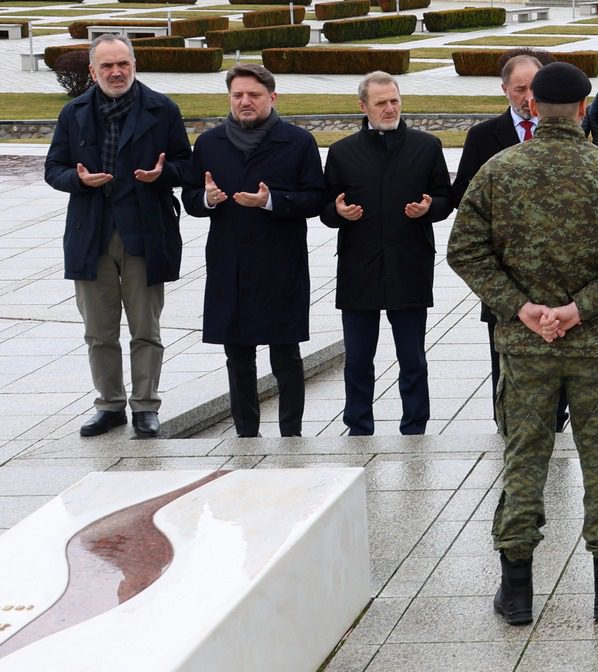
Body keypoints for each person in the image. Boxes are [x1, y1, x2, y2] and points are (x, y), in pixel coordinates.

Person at [446, 61, 598, 626]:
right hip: (595, 346)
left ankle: (516, 590)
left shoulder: (499, 171)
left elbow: (464, 250)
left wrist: (521, 308)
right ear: (586, 106)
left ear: (534, 106)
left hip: (524, 347)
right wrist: (580, 308)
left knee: (523, 459)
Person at [45, 34, 193, 439]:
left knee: (146, 328)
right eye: (107, 66)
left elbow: (186, 165)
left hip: (144, 232)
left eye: (122, 64)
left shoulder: (162, 109)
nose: (116, 72)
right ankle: (109, 405)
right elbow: (52, 169)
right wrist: (78, 180)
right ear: (92, 71)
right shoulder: (73, 113)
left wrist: (163, 174)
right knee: (99, 331)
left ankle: (146, 406)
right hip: (91, 233)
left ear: (134, 65)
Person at [183, 63, 325, 438]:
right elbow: (190, 199)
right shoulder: (211, 144)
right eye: (238, 95)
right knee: (238, 356)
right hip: (230, 263)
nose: (245, 102)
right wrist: (207, 199)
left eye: (254, 95)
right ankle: (246, 433)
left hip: (281, 263)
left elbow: (315, 198)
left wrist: (270, 201)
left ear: (272, 98)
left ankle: (291, 433)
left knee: (286, 355)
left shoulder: (297, 142)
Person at [319, 71, 453, 436]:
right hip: (359, 266)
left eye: (394, 100)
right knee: (359, 359)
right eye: (381, 103)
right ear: (363, 107)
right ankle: (359, 426)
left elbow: (445, 198)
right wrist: (338, 213)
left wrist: (430, 209)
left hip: (409, 263)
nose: (390, 108)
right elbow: (325, 207)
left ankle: (415, 425)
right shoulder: (343, 152)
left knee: (412, 358)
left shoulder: (426, 146)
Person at [455, 50, 560, 425]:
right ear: (504, 90)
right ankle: (508, 426)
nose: (527, 96)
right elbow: (463, 199)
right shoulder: (483, 137)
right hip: (506, 278)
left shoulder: (572, 133)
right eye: (519, 89)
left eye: (534, 88)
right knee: (507, 365)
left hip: (559, 277)